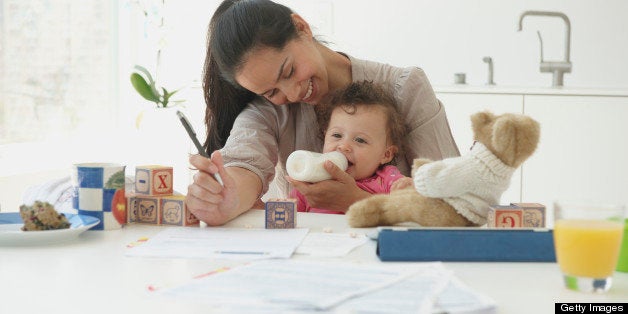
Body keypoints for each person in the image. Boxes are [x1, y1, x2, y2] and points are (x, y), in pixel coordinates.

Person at [186, 0, 459, 226]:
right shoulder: (269, 111)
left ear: (301, 27)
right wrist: (225, 197)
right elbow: (244, 166)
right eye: (271, 92)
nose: (292, 95)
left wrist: (357, 201)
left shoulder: (404, 88)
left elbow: (458, 202)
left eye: (289, 71)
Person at [289, 81, 413, 214]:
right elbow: (289, 222)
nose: (344, 146)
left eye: (360, 140)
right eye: (337, 135)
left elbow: (409, 212)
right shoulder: (312, 182)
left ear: (386, 154)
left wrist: (408, 191)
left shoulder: (389, 180)